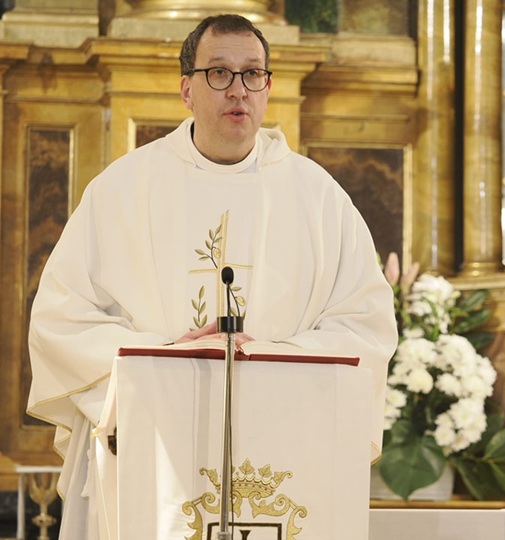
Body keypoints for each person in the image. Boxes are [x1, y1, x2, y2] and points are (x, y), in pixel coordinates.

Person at [26, 13, 397, 540]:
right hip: (154, 443)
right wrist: (165, 353)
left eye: (253, 74)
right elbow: (60, 319)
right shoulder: (123, 190)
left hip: (284, 442)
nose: (238, 90)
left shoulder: (319, 198)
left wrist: (272, 358)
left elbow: (367, 325)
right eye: (219, 73)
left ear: (268, 87)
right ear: (187, 89)